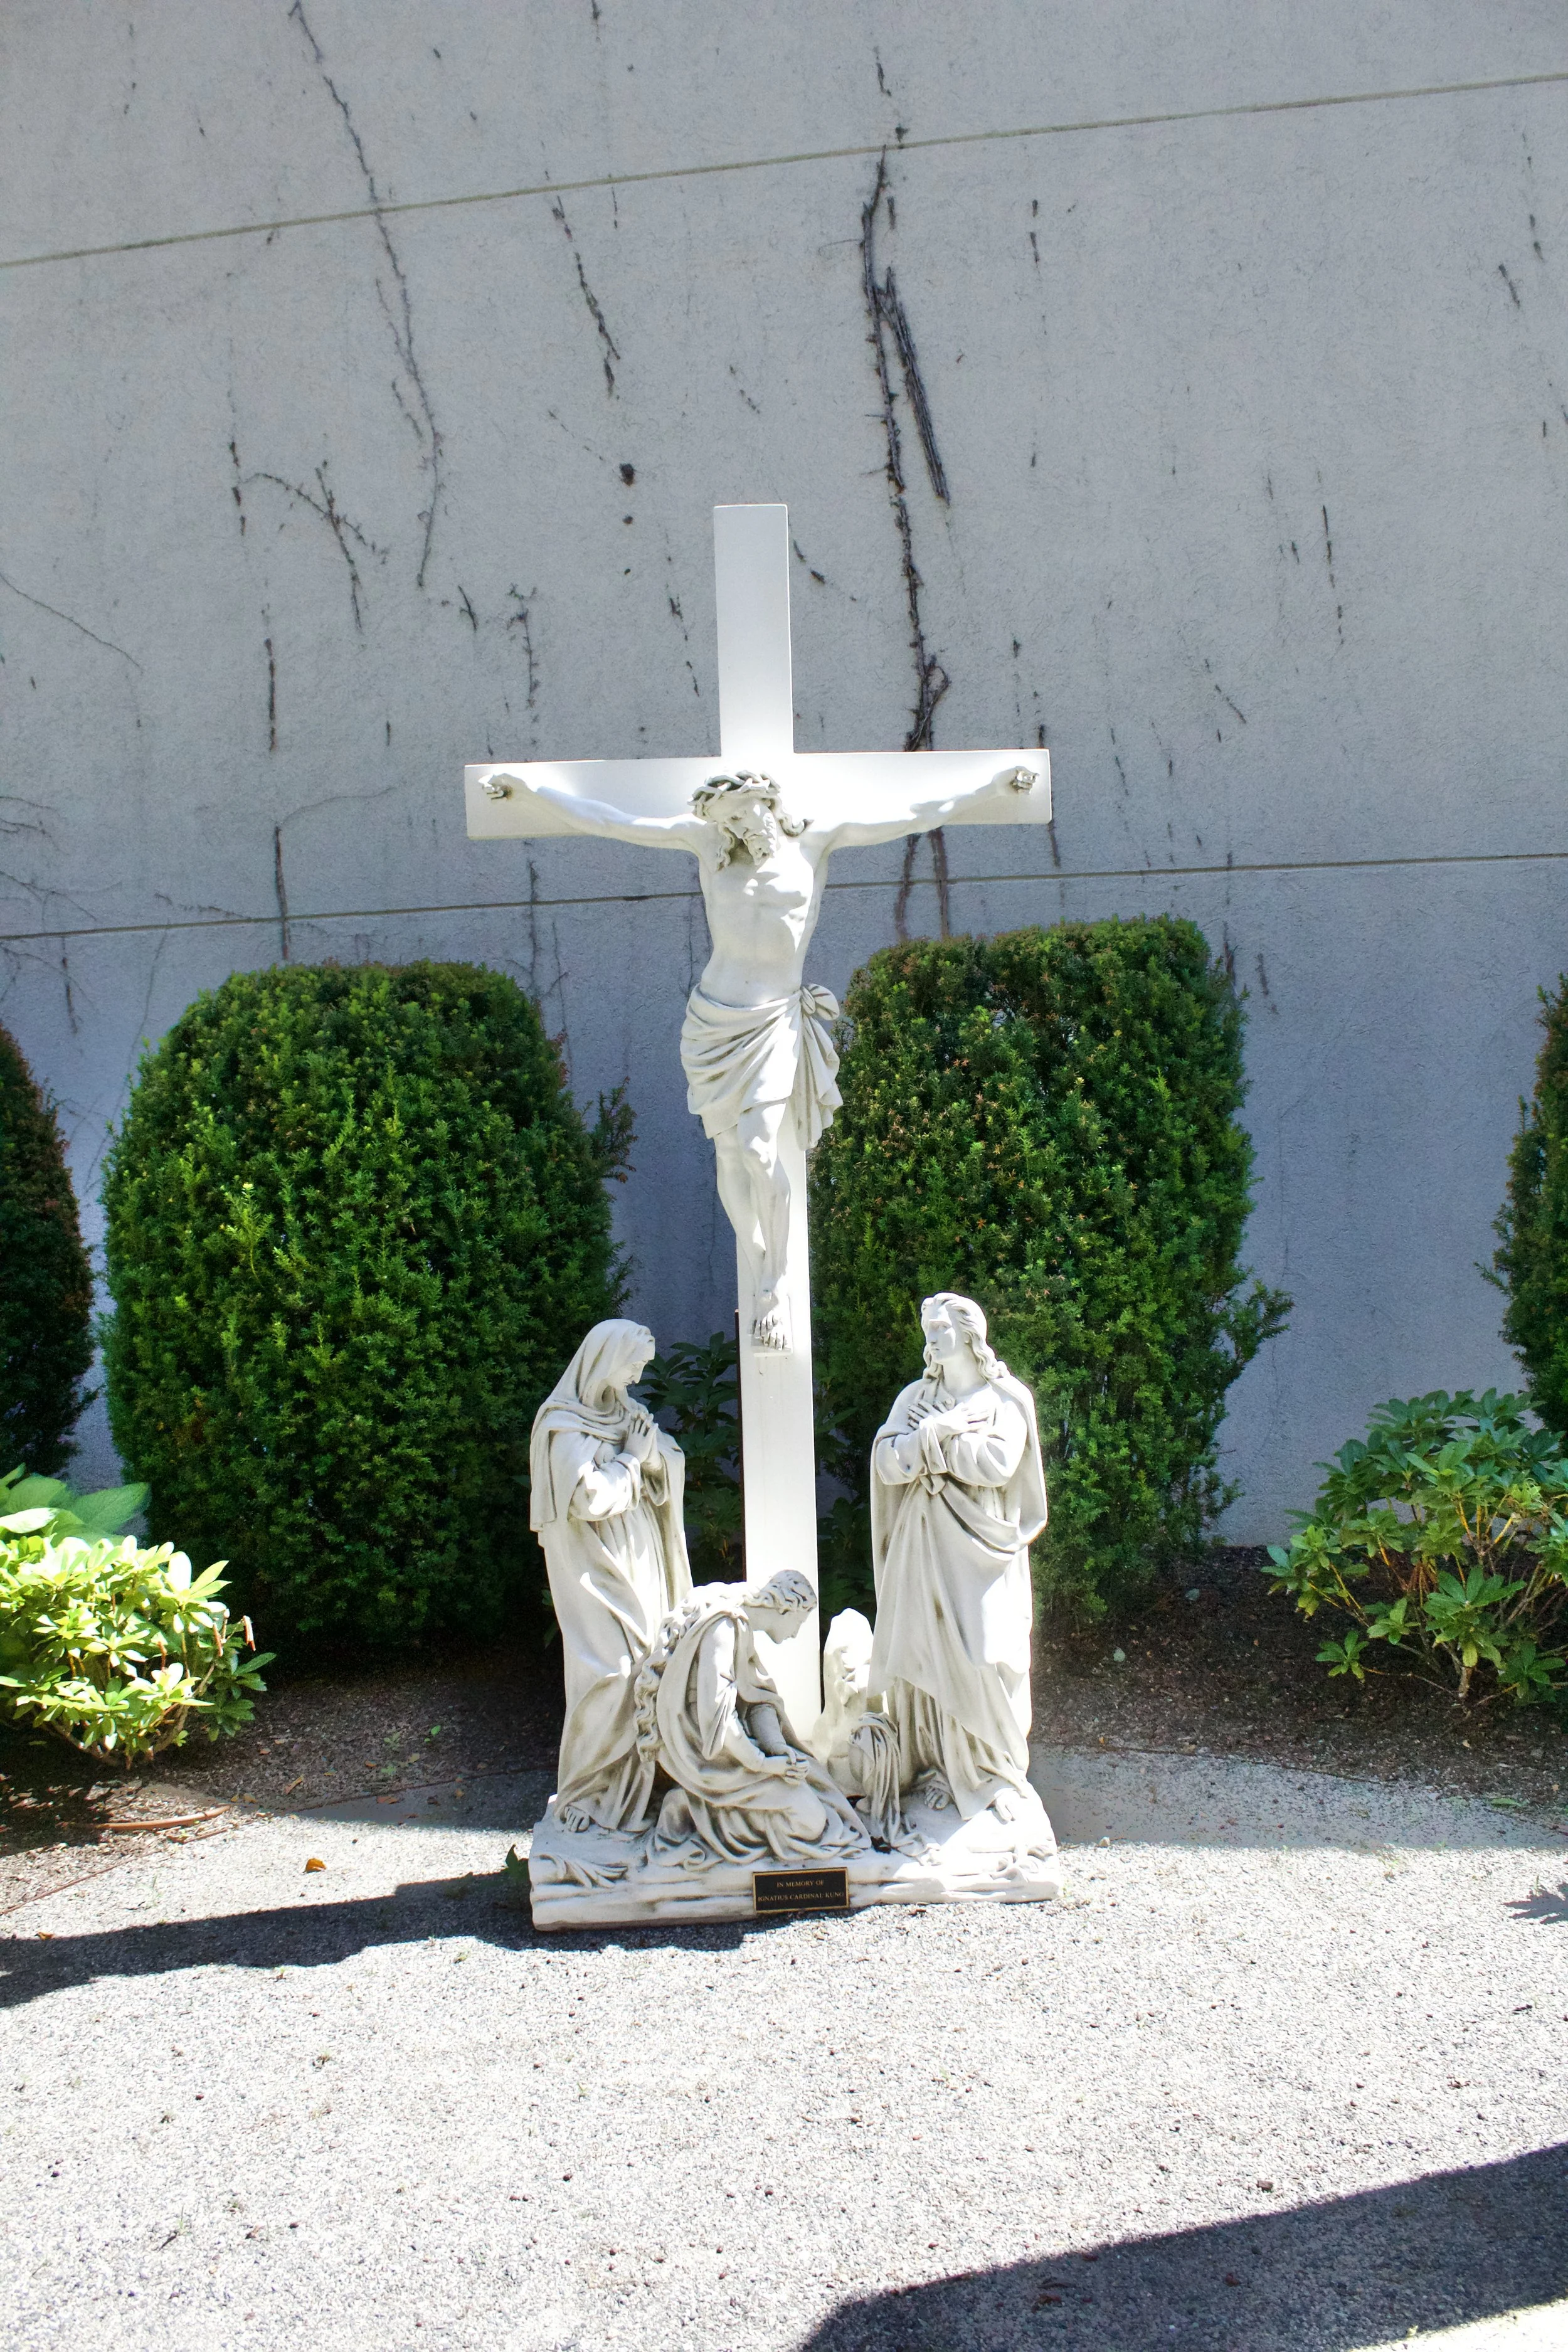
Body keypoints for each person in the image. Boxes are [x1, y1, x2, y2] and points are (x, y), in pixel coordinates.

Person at [519, 764, 1037, 1349]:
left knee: (762, 1147)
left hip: (772, 1020)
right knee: (732, 1153)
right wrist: (535, 794)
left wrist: (989, 789)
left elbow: (912, 814)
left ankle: (776, 1279)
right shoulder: (706, 844)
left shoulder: (815, 839)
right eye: (727, 821)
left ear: (766, 799)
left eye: (743, 813)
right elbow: (615, 822)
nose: (739, 828)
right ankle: (759, 1262)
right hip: (715, 1020)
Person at [869, 1293, 1049, 1825]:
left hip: (981, 1547)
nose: (931, 1336)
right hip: (923, 1543)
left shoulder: (1005, 1399)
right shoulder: (914, 1396)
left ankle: (994, 1772)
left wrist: (933, 1439)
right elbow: (885, 1463)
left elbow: (995, 1465)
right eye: (927, 1327)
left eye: (941, 1327)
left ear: (970, 1333)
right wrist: (935, 1438)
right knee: (925, 1652)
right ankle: (936, 1771)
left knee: (985, 1652)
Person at [530, 1320, 692, 1834]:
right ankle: (590, 1792)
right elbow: (590, 1499)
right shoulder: (565, 1429)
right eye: (635, 1365)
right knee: (612, 1672)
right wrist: (631, 1459)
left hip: (640, 1555)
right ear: (605, 1359)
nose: (640, 1375)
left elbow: (669, 1459)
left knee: (651, 1666)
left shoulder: (626, 1411)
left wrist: (651, 1460)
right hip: (595, 1568)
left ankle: (642, 1789)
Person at [633, 1571, 870, 1868]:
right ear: (785, 1609)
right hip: (709, 1760)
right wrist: (763, 1763)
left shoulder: (739, 1628)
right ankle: (690, 1808)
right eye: (799, 1623)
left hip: (735, 1752)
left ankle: (709, 1809)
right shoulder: (723, 1628)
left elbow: (757, 1698)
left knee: (818, 1783)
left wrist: (776, 1747)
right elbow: (718, 1717)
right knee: (811, 1823)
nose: (796, 1634)